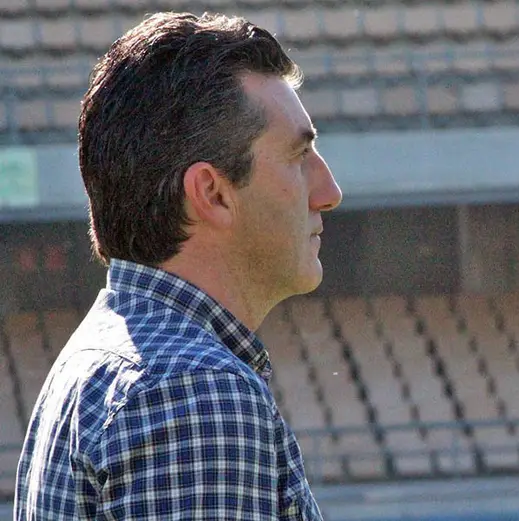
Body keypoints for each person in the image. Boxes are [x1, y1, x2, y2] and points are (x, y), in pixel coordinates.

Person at [15, 12, 341, 520]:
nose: (329, 193)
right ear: (212, 193)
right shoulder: (194, 388)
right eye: (299, 157)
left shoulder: (104, 360)